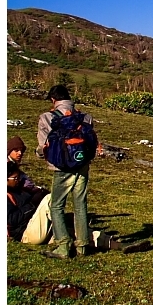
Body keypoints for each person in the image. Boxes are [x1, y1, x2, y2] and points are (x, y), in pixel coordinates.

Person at [8, 161, 150, 254]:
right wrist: (34, 203)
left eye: (19, 177)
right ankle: (63, 234)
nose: (19, 180)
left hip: (45, 229)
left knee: (79, 233)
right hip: (27, 234)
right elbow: (12, 220)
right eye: (15, 178)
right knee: (50, 199)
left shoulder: (22, 190)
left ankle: (118, 245)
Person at [35, 84, 96, 259]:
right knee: (80, 204)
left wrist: (39, 153)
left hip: (61, 168)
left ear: (53, 99)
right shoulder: (85, 117)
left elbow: (43, 147)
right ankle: (82, 246)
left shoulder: (47, 117)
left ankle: (63, 245)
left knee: (56, 205)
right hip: (82, 166)